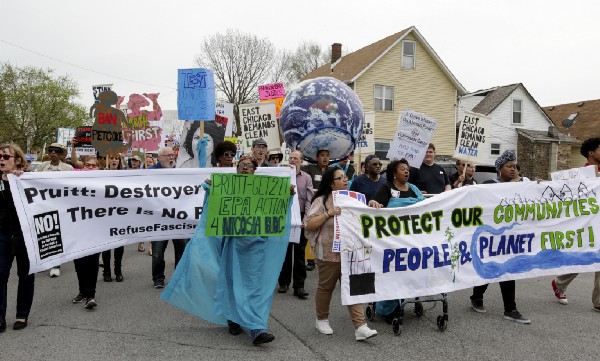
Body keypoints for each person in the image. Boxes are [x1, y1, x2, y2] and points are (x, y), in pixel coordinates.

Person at [304, 167, 378, 341]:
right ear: (331, 183)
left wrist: (373, 205)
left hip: (350, 252)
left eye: (346, 177)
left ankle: (360, 326)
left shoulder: (353, 199)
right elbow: (309, 224)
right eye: (341, 178)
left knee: (354, 286)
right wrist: (329, 213)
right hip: (329, 253)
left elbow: (365, 217)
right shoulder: (321, 201)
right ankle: (321, 319)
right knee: (326, 287)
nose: (346, 180)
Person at [470, 150, 530, 324]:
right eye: (508, 166)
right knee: (491, 269)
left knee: (508, 269)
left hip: (509, 237)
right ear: (499, 169)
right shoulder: (489, 184)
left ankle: (510, 309)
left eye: (515, 167)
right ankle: (477, 296)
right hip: (491, 236)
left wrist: (538, 186)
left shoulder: (519, 186)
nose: (513, 170)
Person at [371, 159, 424, 321]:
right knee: (392, 274)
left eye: (407, 169)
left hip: (413, 240)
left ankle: (404, 298)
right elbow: (376, 206)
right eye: (402, 169)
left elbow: (425, 209)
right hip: (392, 241)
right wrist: (373, 203)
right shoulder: (386, 188)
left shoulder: (414, 189)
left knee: (410, 272)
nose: (406, 172)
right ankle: (387, 309)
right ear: (394, 173)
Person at [551, 137, 600, 312]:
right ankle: (559, 283)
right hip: (586, 224)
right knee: (584, 258)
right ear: (591, 153)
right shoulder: (580, 175)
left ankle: (598, 301)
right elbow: (561, 192)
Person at [0, 143, 34, 332]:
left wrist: (22, 178)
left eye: (6, 157)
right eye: (0, 156)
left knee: (26, 275)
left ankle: (22, 315)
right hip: (3, 234)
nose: (2, 159)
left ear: (18, 160)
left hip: (24, 234)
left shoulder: (26, 180)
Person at [148, 147, 187, 288]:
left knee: (181, 249)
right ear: (159, 158)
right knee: (157, 252)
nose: (171, 158)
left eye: (173, 155)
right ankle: (158, 278)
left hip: (178, 217)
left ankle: (179, 277)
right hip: (159, 218)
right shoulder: (150, 173)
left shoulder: (181, 171)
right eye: (167, 155)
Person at [278, 150, 313, 299]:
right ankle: (283, 283)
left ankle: (299, 286)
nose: (292, 160)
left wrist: (306, 218)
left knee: (299, 253)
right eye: (291, 158)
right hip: (285, 216)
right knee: (284, 251)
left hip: (300, 217)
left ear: (301, 161)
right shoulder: (281, 174)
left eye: (295, 158)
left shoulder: (306, 178)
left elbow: (309, 199)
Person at [36, 143, 73, 277]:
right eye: (51, 150)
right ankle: (45, 261)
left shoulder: (68, 169)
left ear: (61, 154)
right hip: (44, 205)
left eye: (56, 151)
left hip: (61, 206)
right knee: (45, 234)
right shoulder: (41, 167)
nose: (53, 153)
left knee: (57, 234)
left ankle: (55, 264)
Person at [71, 156, 101, 309]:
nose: (90, 167)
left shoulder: (104, 184)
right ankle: (82, 291)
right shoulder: (74, 181)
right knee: (79, 262)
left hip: (96, 230)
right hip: (77, 228)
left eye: (93, 165)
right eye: (87, 165)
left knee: (92, 262)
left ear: (98, 168)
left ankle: (91, 295)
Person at [101, 155, 125, 282]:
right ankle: (106, 270)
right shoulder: (101, 174)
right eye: (111, 158)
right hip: (105, 213)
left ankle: (118, 269)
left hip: (120, 213)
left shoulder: (124, 175)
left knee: (119, 243)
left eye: (116, 159)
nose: (114, 160)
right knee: (106, 244)